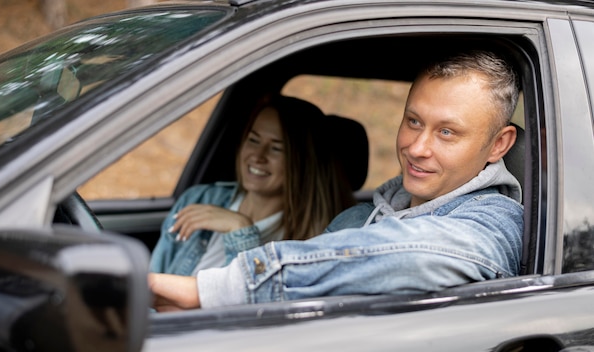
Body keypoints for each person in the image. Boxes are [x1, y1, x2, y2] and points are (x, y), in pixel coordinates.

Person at [148, 48, 525, 312]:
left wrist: (213, 290)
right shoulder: (354, 220)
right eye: (413, 121)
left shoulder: (493, 223)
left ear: (498, 144)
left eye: (447, 133)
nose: (417, 147)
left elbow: (412, 255)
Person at [149, 94, 356, 276]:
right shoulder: (199, 199)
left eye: (276, 148)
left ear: (304, 163)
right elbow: (152, 286)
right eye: (253, 140)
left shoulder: (316, 242)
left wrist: (240, 231)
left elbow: (246, 311)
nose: (257, 156)